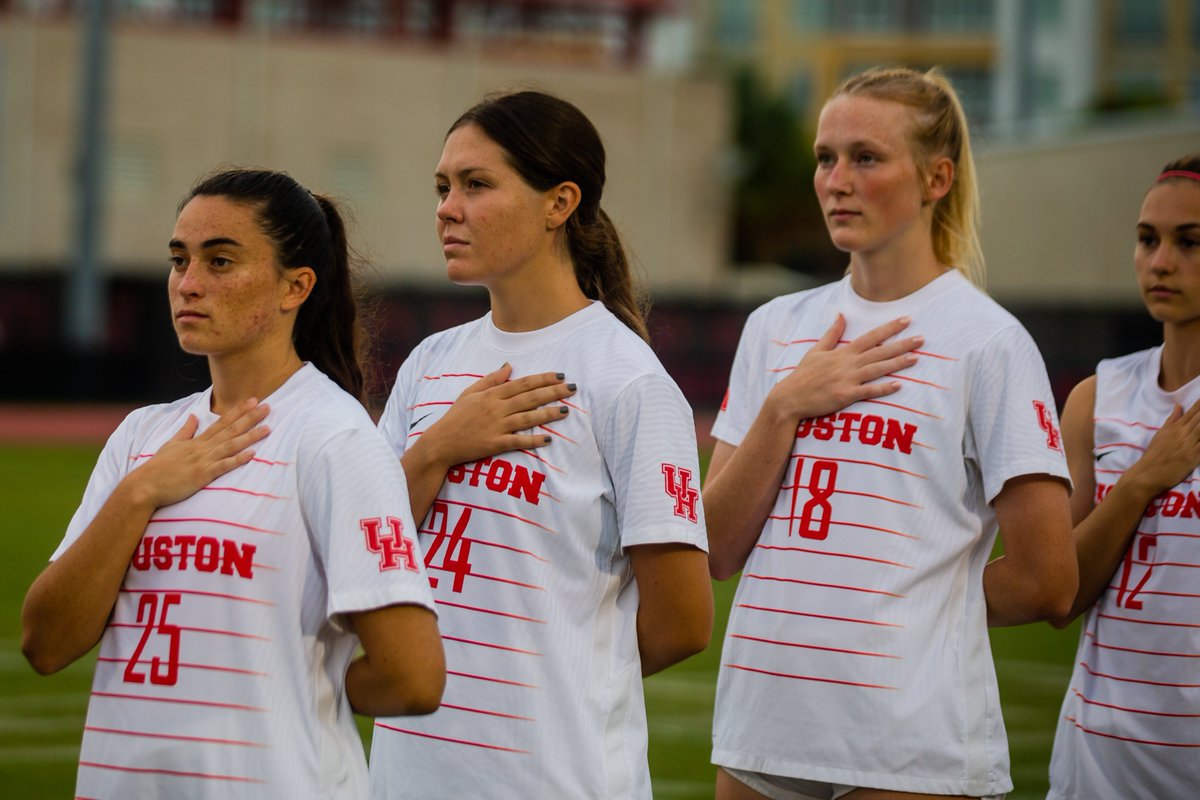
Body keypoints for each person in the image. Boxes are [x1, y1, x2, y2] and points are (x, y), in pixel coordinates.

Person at [704, 66, 1079, 800]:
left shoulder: (988, 343)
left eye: (866, 158)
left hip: (909, 739)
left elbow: (1048, 581)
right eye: (825, 157)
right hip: (761, 725)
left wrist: (910, 613)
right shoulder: (775, 329)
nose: (836, 180)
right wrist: (784, 408)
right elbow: (714, 549)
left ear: (936, 178)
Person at [20, 168, 445, 799]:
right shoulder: (143, 436)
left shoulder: (334, 440)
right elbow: (46, 643)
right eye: (178, 259)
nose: (188, 284)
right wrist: (140, 493)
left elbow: (414, 678)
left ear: (295, 287)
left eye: (220, 261)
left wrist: (300, 690)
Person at [368, 90, 713, 799]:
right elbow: (363, 547)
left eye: (476, 184)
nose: (447, 207)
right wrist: (437, 450)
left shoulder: (627, 380)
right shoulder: (430, 364)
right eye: (442, 187)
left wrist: (555, 676)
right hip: (409, 775)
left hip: (559, 778)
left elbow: (683, 622)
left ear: (559, 203)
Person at [1046, 155, 1200, 800]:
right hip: (1098, 763)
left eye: (1189, 242)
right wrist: (1140, 483)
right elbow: (1061, 593)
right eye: (1147, 239)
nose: (1160, 261)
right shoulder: (1096, 397)